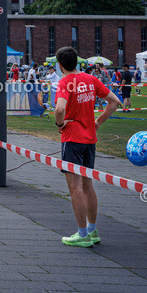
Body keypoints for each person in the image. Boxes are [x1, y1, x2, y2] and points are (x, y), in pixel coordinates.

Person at [54, 46, 121, 247]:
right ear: (77, 62)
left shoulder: (65, 81)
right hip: (89, 139)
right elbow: (114, 101)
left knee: (75, 188)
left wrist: (59, 123)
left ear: (60, 65)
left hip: (72, 138)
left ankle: (82, 234)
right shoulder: (90, 79)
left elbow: (59, 108)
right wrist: (98, 122)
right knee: (88, 185)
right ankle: (92, 231)